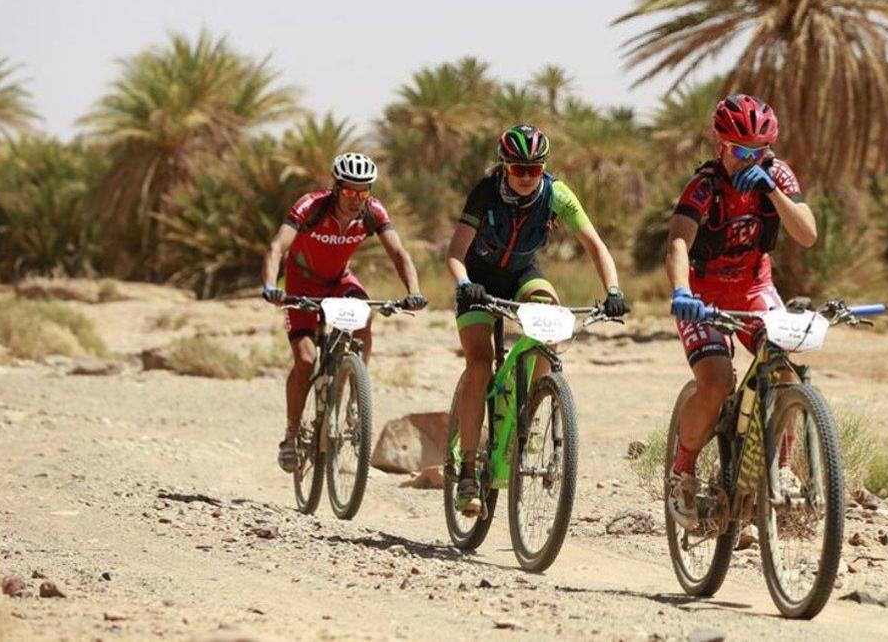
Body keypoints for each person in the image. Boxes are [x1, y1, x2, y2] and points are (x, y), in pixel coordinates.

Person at [446, 124, 630, 516]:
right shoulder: (485, 192)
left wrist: (613, 290)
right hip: (478, 280)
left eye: (535, 169)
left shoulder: (557, 194)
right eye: (518, 169)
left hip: (523, 273)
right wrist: (463, 283)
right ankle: (466, 471)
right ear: (504, 166)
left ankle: (530, 409)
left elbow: (595, 245)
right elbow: (456, 252)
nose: (527, 177)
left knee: (551, 318)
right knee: (479, 364)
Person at [664, 95, 818, 530]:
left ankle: (781, 467)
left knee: (785, 367)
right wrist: (681, 291)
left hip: (754, 286)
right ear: (721, 146)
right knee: (716, 382)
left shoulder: (776, 173)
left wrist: (769, 186)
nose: (751, 158)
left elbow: (806, 234)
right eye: (741, 151)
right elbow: (678, 241)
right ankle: (683, 471)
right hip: (704, 294)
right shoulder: (705, 184)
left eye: (760, 150)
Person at [262, 152, 426, 473]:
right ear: (336, 188)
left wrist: (414, 292)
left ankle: (354, 395)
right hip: (300, 284)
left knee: (365, 319)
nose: (356, 199)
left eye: (363, 192)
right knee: (306, 360)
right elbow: (276, 247)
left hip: (339, 281)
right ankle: (292, 436)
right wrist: (271, 286)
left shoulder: (372, 212)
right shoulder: (311, 206)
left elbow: (399, 253)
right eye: (349, 191)